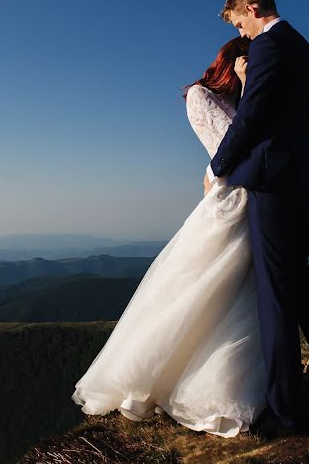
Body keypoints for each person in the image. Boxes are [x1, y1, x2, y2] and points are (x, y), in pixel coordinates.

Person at [71, 36, 268, 438]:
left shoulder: (243, 93)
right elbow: (233, 140)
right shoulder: (200, 94)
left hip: (248, 195)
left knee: (237, 292)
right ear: (232, 61)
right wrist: (247, 90)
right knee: (200, 287)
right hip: (232, 198)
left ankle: (236, 385)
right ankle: (157, 379)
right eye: (249, 60)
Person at [207, 0, 309, 434]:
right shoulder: (302, 47)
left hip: (273, 180)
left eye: (241, 24)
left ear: (253, 8)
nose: (243, 34)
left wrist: (218, 164)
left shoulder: (271, 45)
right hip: (303, 175)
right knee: (299, 274)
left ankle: (286, 409)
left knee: (275, 291)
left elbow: (253, 118)